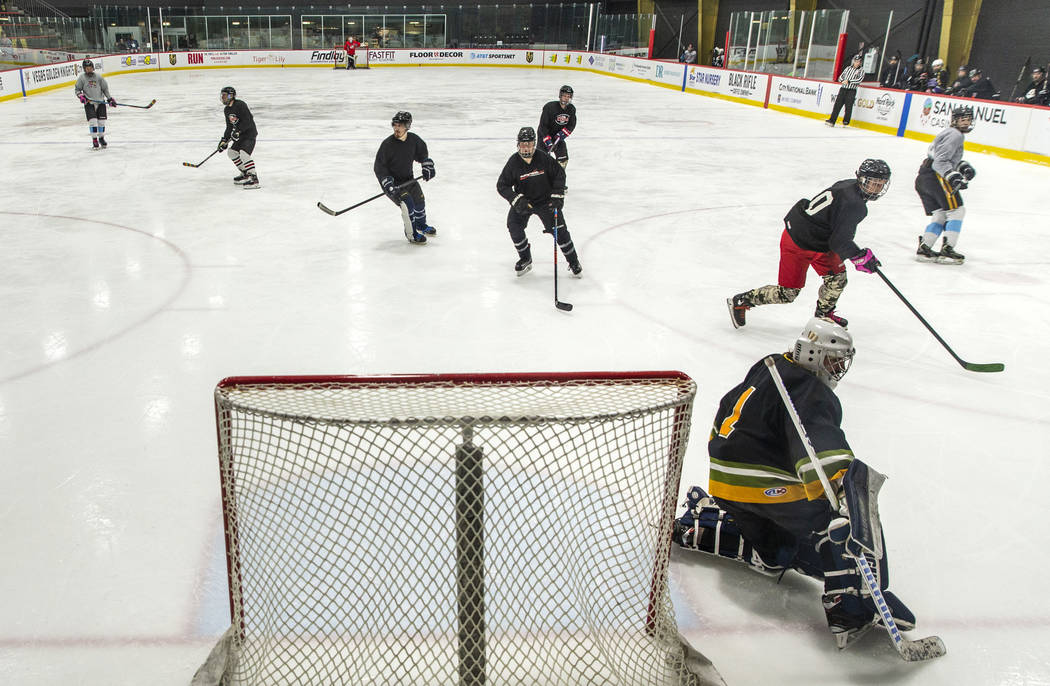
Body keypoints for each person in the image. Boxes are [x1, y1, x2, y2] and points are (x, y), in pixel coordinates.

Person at [672, 318, 917, 648]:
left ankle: (735, 537)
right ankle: (847, 608)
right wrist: (841, 486)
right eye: (834, 359)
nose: (838, 367)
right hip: (761, 483)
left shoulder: (773, 364)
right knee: (834, 522)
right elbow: (819, 446)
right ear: (814, 355)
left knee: (780, 553)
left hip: (725, 480)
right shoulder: (808, 391)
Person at [727, 159, 890, 328]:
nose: (878, 188)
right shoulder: (855, 205)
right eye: (874, 183)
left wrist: (857, 254)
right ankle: (741, 300)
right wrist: (860, 256)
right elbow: (839, 241)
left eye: (881, 184)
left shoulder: (848, 185)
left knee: (837, 279)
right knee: (788, 294)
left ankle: (823, 317)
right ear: (862, 179)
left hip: (814, 238)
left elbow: (835, 228)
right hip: (798, 243)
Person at [496, 126, 582, 278]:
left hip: (546, 201)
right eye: (523, 144)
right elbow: (502, 185)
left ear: (534, 144)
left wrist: (557, 196)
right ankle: (525, 257)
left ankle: (573, 261)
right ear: (518, 144)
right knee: (513, 225)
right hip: (525, 202)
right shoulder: (513, 162)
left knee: (560, 231)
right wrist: (516, 200)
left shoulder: (543, 158)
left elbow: (559, 174)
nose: (526, 148)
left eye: (529, 144)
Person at [914, 106, 975, 264]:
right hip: (936, 177)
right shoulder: (955, 135)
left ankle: (925, 247)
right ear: (955, 120)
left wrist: (962, 167)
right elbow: (940, 162)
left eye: (968, 119)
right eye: (963, 119)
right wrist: (953, 177)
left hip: (924, 177)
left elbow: (943, 157)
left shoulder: (949, 132)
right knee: (957, 211)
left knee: (941, 213)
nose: (966, 122)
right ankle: (948, 250)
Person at [373, 111, 436, 244]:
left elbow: (422, 154)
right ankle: (411, 234)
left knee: (420, 201)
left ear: (407, 126)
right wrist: (387, 183)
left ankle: (420, 225)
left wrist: (427, 166)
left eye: (400, 125)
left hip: (409, 180)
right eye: (395, 125)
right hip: (394, 185)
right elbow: (379, 167)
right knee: (408, 205)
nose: (396, 128)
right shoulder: (387, 145)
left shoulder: (413, 140)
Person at [218, 86, 260, 190]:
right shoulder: (227, 110)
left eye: (225, 95)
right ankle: (245, 173)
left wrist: (238, 131)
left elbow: (248, 120)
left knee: (244, 153)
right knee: (231, 152)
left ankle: (254, 178)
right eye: (222, 95)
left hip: (249, 133)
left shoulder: (240, 104)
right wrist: (224, 140)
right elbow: (229, 127)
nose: (223, 97)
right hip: (241, 135)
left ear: (231, 96)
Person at [73, 59, 116, 150]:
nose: (89, 70)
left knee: (101, 123)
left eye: (90, 68)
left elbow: (105, 89)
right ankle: (94, 140)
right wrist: (81, 96)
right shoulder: (82, 78)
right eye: (87, 68)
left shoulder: (99, 77)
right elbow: (77, 90)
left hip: (100, 103)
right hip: (89, 103)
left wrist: (109, 99)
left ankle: (101, 138)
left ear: (93, 68)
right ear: (84, 69)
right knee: (93, 122)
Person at [537, 85, 576, 169]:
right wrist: (548, 140)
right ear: (560, 96)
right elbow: (543, 126)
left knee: (563, 159)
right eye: (564, 96)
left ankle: (558, 176)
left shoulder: (571, 109)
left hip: (558, 137)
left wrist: (563, 134)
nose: (566, 98)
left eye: (568, 96)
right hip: (544, 136)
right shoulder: (549, 107)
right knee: (541, 160)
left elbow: (571, 124)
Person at [825, 55, 864, 127]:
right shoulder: (848, 68)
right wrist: (843, 81)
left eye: (858, 62)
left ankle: (846, 121)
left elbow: (859, 80)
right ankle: (832, 120)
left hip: (851, 90)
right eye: (856, 61)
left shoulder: (861, 70)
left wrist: (849, 81)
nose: (857, 63)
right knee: (837, 105)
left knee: (848, 106)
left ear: (860, 62)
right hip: (843, 89)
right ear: (853, 61)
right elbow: (840, 77)